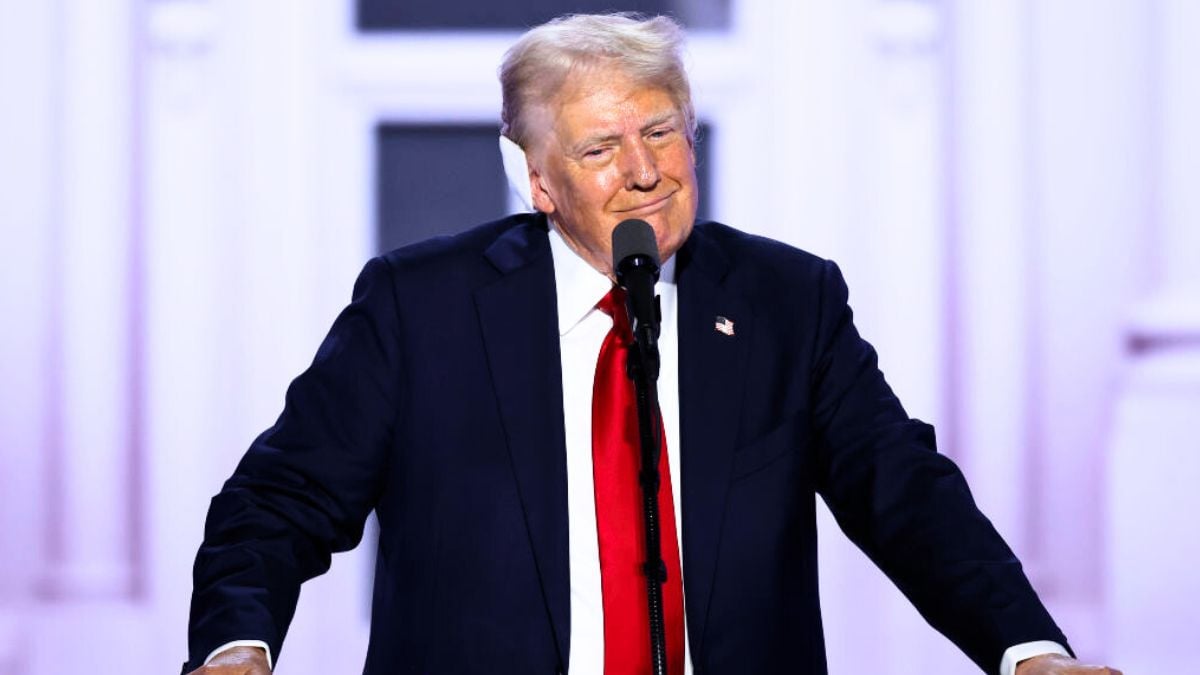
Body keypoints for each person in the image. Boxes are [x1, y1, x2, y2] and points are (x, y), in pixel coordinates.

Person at [184, 13, 1120, 675]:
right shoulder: (418, 306)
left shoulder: (787, 302)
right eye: (600, 150)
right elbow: (281, 500)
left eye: (662, 131)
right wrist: (235, 645)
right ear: (541, 183)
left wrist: (1028, 650)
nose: (643, 172)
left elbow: (905, 493)